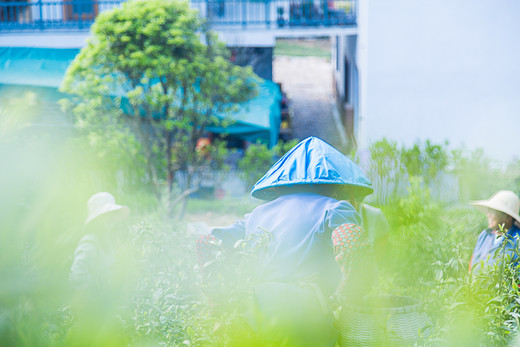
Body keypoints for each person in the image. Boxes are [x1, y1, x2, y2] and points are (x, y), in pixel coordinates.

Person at [196, 136, 377, 346]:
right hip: (306, 317)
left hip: (253, 313)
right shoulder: (335, 207)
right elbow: (351, 242)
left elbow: (206, 241)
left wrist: (217, 303)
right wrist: (346, 295)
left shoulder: (258, 214)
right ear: (338, 187)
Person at [68, 192, 131, 346]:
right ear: (97, 219)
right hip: (91, 312)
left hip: (102, 310)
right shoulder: (89, 244)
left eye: (113, 214)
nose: (112, 219)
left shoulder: (105, 241)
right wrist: (93, 294)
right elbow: (77, 276)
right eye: (107, 215)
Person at [469, 190, 520, 272]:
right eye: (489, 211)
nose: (488, 215)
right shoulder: (485, 235)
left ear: (508, 217)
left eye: (493, 212)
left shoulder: (517, 241)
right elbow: (472, 265)